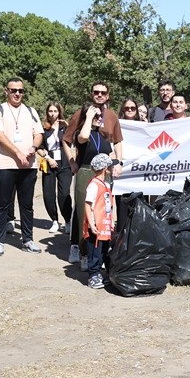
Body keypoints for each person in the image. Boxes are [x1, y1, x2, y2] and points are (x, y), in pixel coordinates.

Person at [64, 82, 124, 267]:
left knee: (103, 212)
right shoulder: (81, 117)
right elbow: (73, 139)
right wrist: (72, 162)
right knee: (84, 211)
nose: (99, 95)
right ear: (91, 94)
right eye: (96, 92)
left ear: (108, 95)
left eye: (103, 92)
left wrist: (118, 162)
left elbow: (116, 143)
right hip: (86, 170)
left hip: (104, 174)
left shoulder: (110, 119)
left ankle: (99, 252)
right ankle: (82, 250)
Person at [0, 77, 45, 257]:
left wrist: (34, 147)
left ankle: (27, 240)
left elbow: (39, 133)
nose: (17, 94)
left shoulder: (30, 111)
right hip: (5, 165)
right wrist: (17, 153)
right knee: (2, 204)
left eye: (20, 90)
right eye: (13, 90)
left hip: (28, 166)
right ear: (6, 91)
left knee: (26, 205)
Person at [83, 153, 117, 290]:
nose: (111, 169)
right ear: (105, 168)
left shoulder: (106, 184)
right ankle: (93, 275)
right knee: (94, 251)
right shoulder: (94, 185)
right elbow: (87, 204)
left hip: (105, 224)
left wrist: (112, 220)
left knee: (103, 250)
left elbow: (109, 205)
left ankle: (99, 274)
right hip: (96, 224)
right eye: (110, 166)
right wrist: (91, 224)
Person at [38, 102, 72, 234]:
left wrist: (68, 127)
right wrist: (48, 158)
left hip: (65, 164)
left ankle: (68, 220)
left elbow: (74, 141)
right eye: (50, 111)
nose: (53, 114)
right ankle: (54, 220)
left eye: (55, 111)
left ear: (59, 112)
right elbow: (39, 147)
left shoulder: (65, 127)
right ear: (47, 113)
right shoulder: (44, 129)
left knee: (64, 194)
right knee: (48, 195)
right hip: (49, 162)